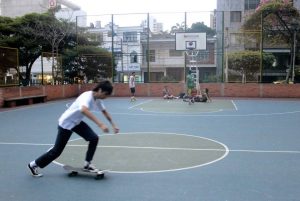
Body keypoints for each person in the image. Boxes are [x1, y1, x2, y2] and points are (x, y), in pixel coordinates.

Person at [28, 80, 119, 177]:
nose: (106, 97)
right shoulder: (87, 96)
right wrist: (100, 124)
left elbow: (104, 111)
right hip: (66, 123)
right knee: (56, 151)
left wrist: (113, 124)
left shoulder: (98, 100)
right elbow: (83, 110)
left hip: (76, 122)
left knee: (94, 138)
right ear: (100, 90)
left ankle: (87, 164)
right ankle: (33, 164)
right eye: (106, 94)